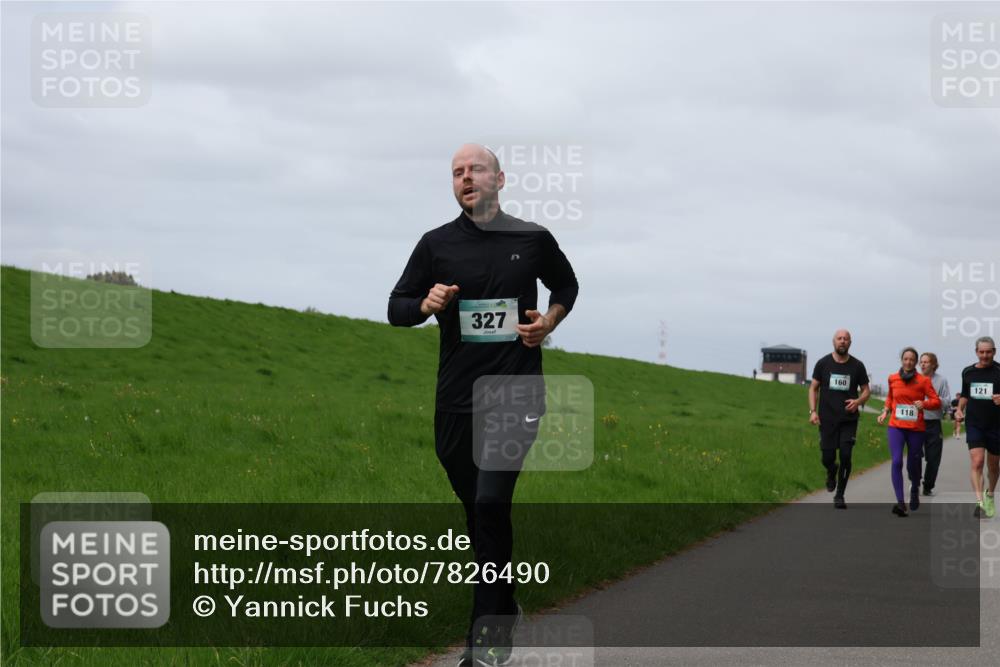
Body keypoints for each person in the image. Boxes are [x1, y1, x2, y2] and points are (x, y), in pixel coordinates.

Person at [388, 143, 579, 666]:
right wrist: (423, 304)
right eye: (457, 172)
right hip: (456, 401)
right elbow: (396, 307)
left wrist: (548, 321)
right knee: (478, 512)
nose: (466, 177)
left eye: (475, 169)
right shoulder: (435, 245)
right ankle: (505, 602)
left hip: (516, 392)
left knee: (491, 503)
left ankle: (485, 642)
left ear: (500, 178)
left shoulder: (532, 238)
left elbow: (566, 284)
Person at [809, 329, 871, 509]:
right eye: (839, 338)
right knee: (827, 458)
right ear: (834, 341)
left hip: (848, 419)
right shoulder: (823, 363)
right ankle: (831, 470)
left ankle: (840, 495)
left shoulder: (857, 366)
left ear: (850, 342)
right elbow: (813, 388)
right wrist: (813, 411)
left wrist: (858, 401)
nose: (842, 341)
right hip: (827, 419)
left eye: (846, 339)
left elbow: (866, 391)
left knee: (845, 455)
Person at [877, 348, 941, 516]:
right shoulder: (893, 378)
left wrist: (924, 404)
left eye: (912, 360)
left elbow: (936, 401)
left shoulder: (923, 381)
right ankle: (900, 503)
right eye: (906, 359)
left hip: (916, 429)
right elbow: (890, 398)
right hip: (896, 427)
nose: (908, 362)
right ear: (902, 360)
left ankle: (914, 489)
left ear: (916, 362)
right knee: (897, 461)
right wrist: (885, 411)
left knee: (913, 462)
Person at [954, 336, 1000, 519]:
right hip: (974, 424)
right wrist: (959, 409)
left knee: (993, 466)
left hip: (996, 425)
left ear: (994, 352)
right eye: (981, 352)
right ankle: (979, 502)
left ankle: (990, 495)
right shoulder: (968, 372)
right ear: (976, 352)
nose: (985, 355)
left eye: (988, 352)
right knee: (977, 461)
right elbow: (965, 395)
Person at [919, 352, 951, 496]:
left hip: (933, 423)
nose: (923, 364)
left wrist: (934, 400)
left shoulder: (941, 380)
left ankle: (928, 486)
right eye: (921, 362)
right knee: (914, 455)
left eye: (926, 362)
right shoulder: (914, 379)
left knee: (933, 458)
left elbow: (947, 401)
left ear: (933, 364)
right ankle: (915, 480)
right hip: (916, 423)